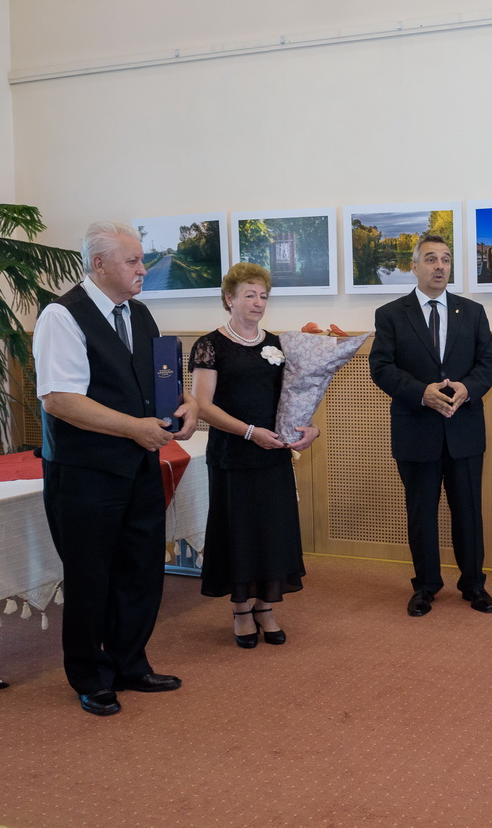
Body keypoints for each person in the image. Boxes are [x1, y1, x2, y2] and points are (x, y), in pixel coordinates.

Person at [33, 221, 198, 716]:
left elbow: (157, 383)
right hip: (86, 471)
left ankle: (130, 663)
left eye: (142, 259)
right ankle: (91, 676)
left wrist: (187, 405)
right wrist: (134, 428)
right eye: (133, 261)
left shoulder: (140, 313)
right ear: (99, 264)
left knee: (140, 569)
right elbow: (60, 400)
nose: (143, 269)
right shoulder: (62, 317)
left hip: (141, 465)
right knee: (91, 577)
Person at [190, 263, 319, 649]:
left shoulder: (279, 344)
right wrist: (249, 432)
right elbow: (202, 405)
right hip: (233, 454)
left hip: (273, 453)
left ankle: (266, 606)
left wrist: (309, 429)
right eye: (249, 295)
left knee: (273, 531)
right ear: (229, 299)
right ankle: (241, 610)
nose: (258, 302)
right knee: (239, 532)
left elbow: (295, 398)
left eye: (263, 295)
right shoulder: (210, 345)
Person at [369, 234, 492, 617]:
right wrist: (420, 392)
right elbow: (381, 367)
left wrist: (468, 388)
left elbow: (488, 363)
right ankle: (425, 586)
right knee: (422, 514)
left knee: (468, 513)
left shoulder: (472, 312)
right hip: (416, 430)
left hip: (464, 430)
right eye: (430, 259)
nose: (439, 266)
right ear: (414, 266)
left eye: (445, 259)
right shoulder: (391, 314)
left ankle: (474, 585)